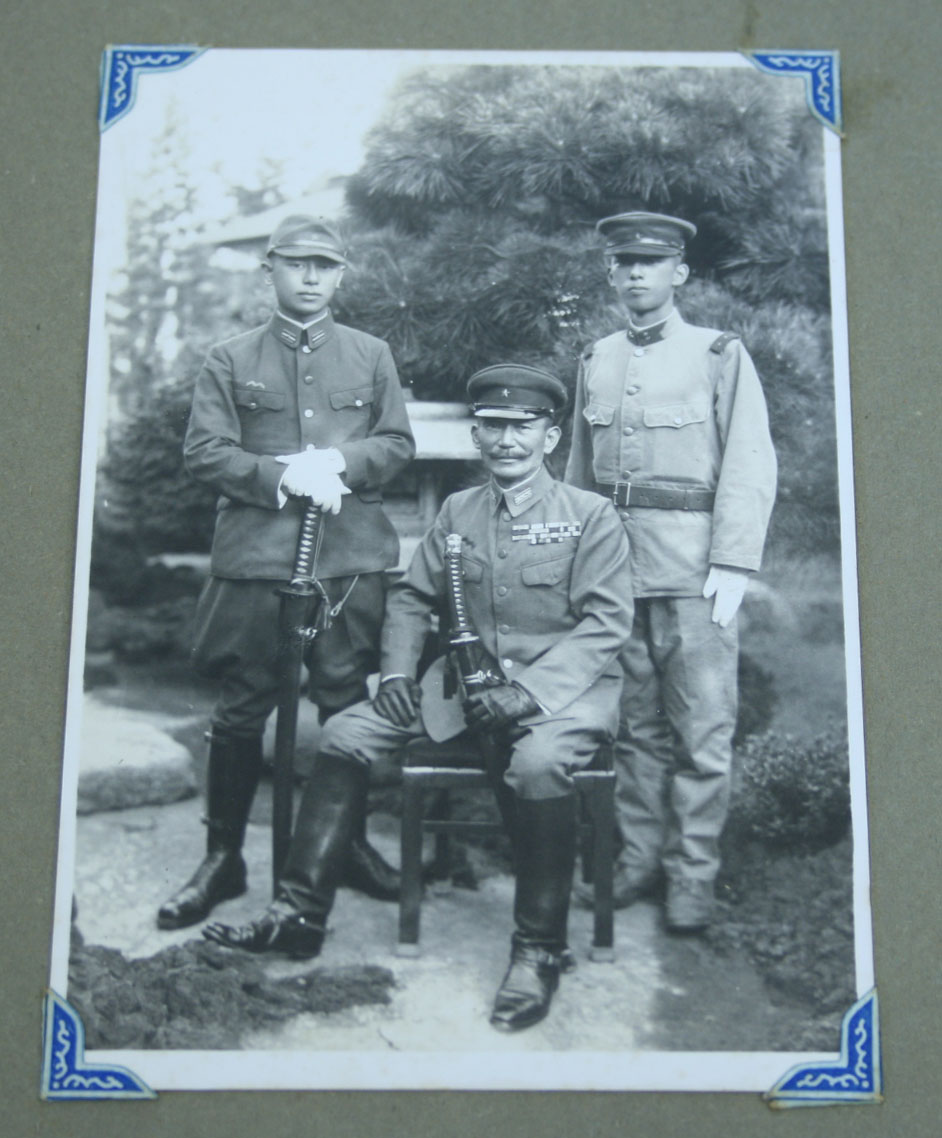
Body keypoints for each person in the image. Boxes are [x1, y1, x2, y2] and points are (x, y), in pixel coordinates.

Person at [204, 364, 634, 1033]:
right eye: (491, 427)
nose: (506, 441)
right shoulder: (460, 511)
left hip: (564, 693)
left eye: (522, 428)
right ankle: (297, 916)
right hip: (461, 684)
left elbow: (606, 625)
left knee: (539, 764)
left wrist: (525, 694)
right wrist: (399, 673)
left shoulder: (590, 517)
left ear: (550, 437)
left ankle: (540, 949)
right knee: (345, 735)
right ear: (476, 436)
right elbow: (412, 598)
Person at [157, 215, 415, 931]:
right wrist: (284, 477)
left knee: (343, 706)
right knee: (242, 711)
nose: (310, 277)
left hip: (349, 560)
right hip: (259, 558)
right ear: (268, 269)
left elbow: (396, 443)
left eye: (324, 266)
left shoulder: (370, 354)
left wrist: (338, 462)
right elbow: (205, 452)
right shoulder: (230, 357)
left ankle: (349, 845)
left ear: (339, 276)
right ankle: (224, 858)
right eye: (296, 264)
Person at [565, 211, 777, 932]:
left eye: (649, 263)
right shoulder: (596, 359)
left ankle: (693, 876)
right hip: (617, 570)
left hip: (695, 572)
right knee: (635, 730)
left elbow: (750, 459)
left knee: (703, 731)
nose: (634, 274)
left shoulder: (718, 354)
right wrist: (577, 560)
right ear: (610, 272)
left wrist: (735, 559)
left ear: (679, 273)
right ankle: (637, 861)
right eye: (623, 262)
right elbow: (578, 475)